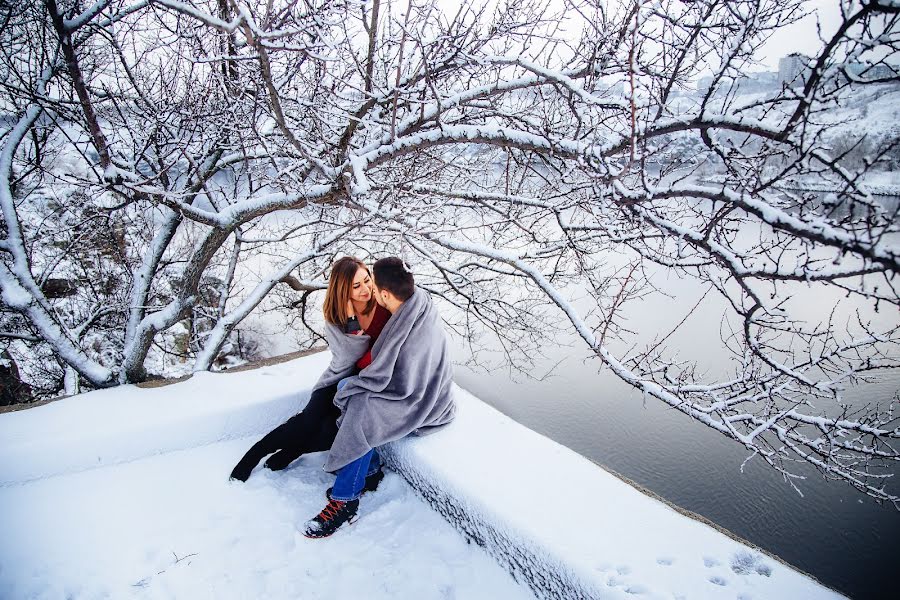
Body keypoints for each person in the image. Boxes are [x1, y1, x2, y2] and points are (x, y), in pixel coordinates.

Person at [303, 257, 456, 538]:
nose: (368, 291)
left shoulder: (411, 322)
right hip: (410, 386)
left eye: (370, 285)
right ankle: (370, 472)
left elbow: (388, 373)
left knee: (362, 408)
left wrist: (363, 380)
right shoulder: (411, 305)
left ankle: (345, 501)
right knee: (347, 390)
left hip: (421, 397)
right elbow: (381, 365)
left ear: (384, 293)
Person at [229, 256, 391, 482]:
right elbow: (346, 358)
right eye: (356, 286)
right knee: (308, 421)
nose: (366, 289)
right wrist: (352, 323)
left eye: (367, 280)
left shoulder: (384, 305)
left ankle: (294, 451)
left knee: (331, 431)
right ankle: (254, 454)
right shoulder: (336, 315)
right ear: (343, 289)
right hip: (336, 379)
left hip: (363, 385)